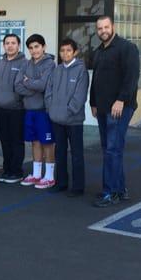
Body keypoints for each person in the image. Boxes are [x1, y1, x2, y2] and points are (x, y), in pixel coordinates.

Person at [90, 15, 140, 207]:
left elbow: (131, 77)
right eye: (100, 28)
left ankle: (110, 193)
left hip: (119, 108)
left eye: (106, 27)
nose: (103, 31)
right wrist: (93, 102)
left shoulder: (127, 48)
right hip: (102, 108)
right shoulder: (99, 52)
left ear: (113, 27)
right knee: (110, 150)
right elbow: (96, 80)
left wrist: (121, 100)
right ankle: (120, 188)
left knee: (112, 150)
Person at [45, 38, 88, 196]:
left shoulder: (81, 70)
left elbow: (80, 97)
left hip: (73, 121)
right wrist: (51, 109)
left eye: (68, 50)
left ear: (75, 52)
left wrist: (67, 111)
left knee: (76, 154)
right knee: (60, 152)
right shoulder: (57, 70)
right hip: (57, 119)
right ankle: (61, 183)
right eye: (62, 51)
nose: (65, 53)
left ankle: (78, 187)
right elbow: (48, 92)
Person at [16, 34, 56, 189]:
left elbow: (43, 85)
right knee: (35, 142)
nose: (34, 50)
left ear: (43, 47)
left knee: (47, 143)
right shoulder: (26, 64)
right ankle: (37, 174)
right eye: (31, 48)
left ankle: (49, 176)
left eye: (37, 47)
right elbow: (17, 86)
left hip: (43, 111)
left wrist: (29, 83)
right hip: (29, 110)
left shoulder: (50, 64)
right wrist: (34, 86)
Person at [0, 34, 27, 183]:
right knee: (4, 140)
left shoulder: (25, 63)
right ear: (3, 45)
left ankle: (16, 171)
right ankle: (7, 169)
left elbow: (23, 86)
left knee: (16, 140)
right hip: (0, 108)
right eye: (7, 43)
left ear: (18, 45)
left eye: (13, 43)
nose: (10, 46)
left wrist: (16, 99)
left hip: (17, 109)